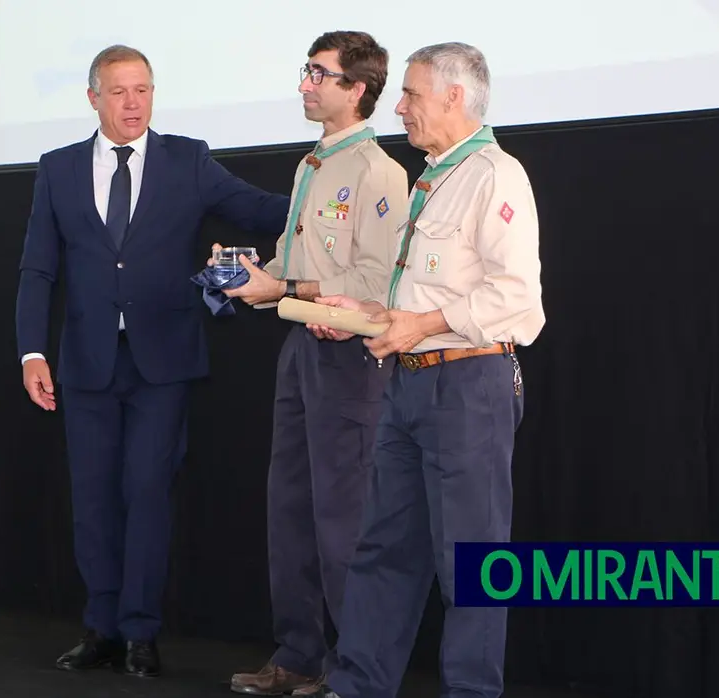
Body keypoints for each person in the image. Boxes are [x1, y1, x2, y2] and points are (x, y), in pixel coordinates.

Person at [14, 45, 291, 679]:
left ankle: (140, 631)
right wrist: (32, 350)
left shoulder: (186, 159)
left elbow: (258, 208)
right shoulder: (56, 169)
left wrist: (328, 197)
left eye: (143, 89)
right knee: (92, 500)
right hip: (83, 365)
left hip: (162, 364)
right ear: (94, 98)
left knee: (147, 493)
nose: (133, 102)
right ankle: (101, 629)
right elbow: (37, 269)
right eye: (119, 91)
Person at [298, 41, 545, 698]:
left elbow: (518, 299)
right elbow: (424, 299)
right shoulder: (434, 178)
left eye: (410, 94)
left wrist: (422, 324)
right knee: (385, 555)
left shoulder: (496, 175)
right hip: (408, 384)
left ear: (455, 98)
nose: (400, 106)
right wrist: (370, 312)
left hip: (468, 387)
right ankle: (357, 687)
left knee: (471, 568)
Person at [217, 30, 410, 697]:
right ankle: (299, 654)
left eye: (318, 74)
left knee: (343, 520)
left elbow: (377, 280)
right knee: (291, 510)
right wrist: (248, 276)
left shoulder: (380, 173)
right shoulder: (310, 167)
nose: (305, 83)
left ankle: (352, 671)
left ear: (356, 90)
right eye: (306, 71)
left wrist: (283, 290)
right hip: (301, 348)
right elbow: (291, 263)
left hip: (351, 357)